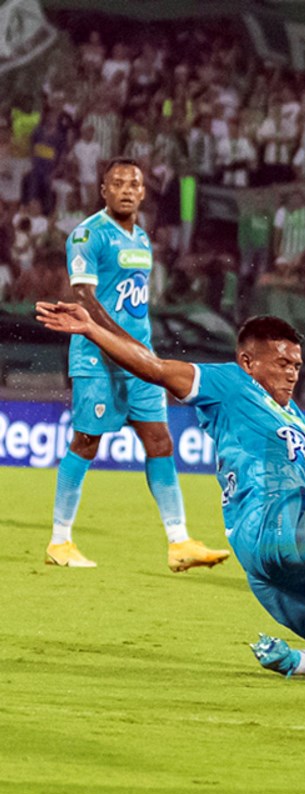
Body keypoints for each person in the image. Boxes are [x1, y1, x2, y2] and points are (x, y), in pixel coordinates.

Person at [36, 307, 305, 682]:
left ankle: (298, 662)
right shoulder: (229, 383)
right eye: (282, 362)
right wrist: (91, 329)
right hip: (268, 521)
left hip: (287, 573)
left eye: (297, 365)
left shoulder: (294, 416)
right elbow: (154, 367)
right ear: (248, 362)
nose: (292, 372)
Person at [47, 157, 229, 572]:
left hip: (140, 360)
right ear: (103, 190)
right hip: (97, 356)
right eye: (118, 183)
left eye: (134, 184)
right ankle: (59, 541)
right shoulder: (87, 235)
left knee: (160, 441)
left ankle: (179, 542)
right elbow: (85, 299)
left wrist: (137, 348)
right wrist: (123, 341)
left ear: (144, 192)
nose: (126, 190)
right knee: (86, 442)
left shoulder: (142, 238)